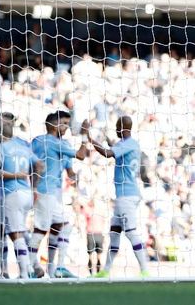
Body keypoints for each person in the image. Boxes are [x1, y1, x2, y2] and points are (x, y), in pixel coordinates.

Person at [81, 116, 149, 278]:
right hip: (123, 196)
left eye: (118, 127)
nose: (116, 130)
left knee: (131, 232)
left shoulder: (126, 144)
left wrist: (89, 137)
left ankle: (145, 270)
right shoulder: (131, 144)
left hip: (127, 195)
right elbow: (115, 147)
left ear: (124, 128)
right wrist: (104, 138)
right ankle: (105, 270)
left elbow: (107, 153)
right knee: (114, 234)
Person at [29, 110, 88, 278]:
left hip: (53, 193)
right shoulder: (52, 142)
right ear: (53, 124)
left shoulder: (50, 143)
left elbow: (70, 173)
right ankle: (35, 267)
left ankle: (51, 269)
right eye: (64, 124)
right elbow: (81, 155)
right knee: (48, 229)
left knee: (56, 227)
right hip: (45, 191)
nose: (66, 128)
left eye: (68, 124)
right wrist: (84, 135)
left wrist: (76, 177)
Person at [0, 112, 43, 278]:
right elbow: (39, 165)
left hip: (11, 193)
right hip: (27, 192)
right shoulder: (22, 145)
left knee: (14, 233)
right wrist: (34, 188)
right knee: (20, 229)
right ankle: (34, 264)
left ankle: (25, 273)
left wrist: (16, 175)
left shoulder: (0, 147)